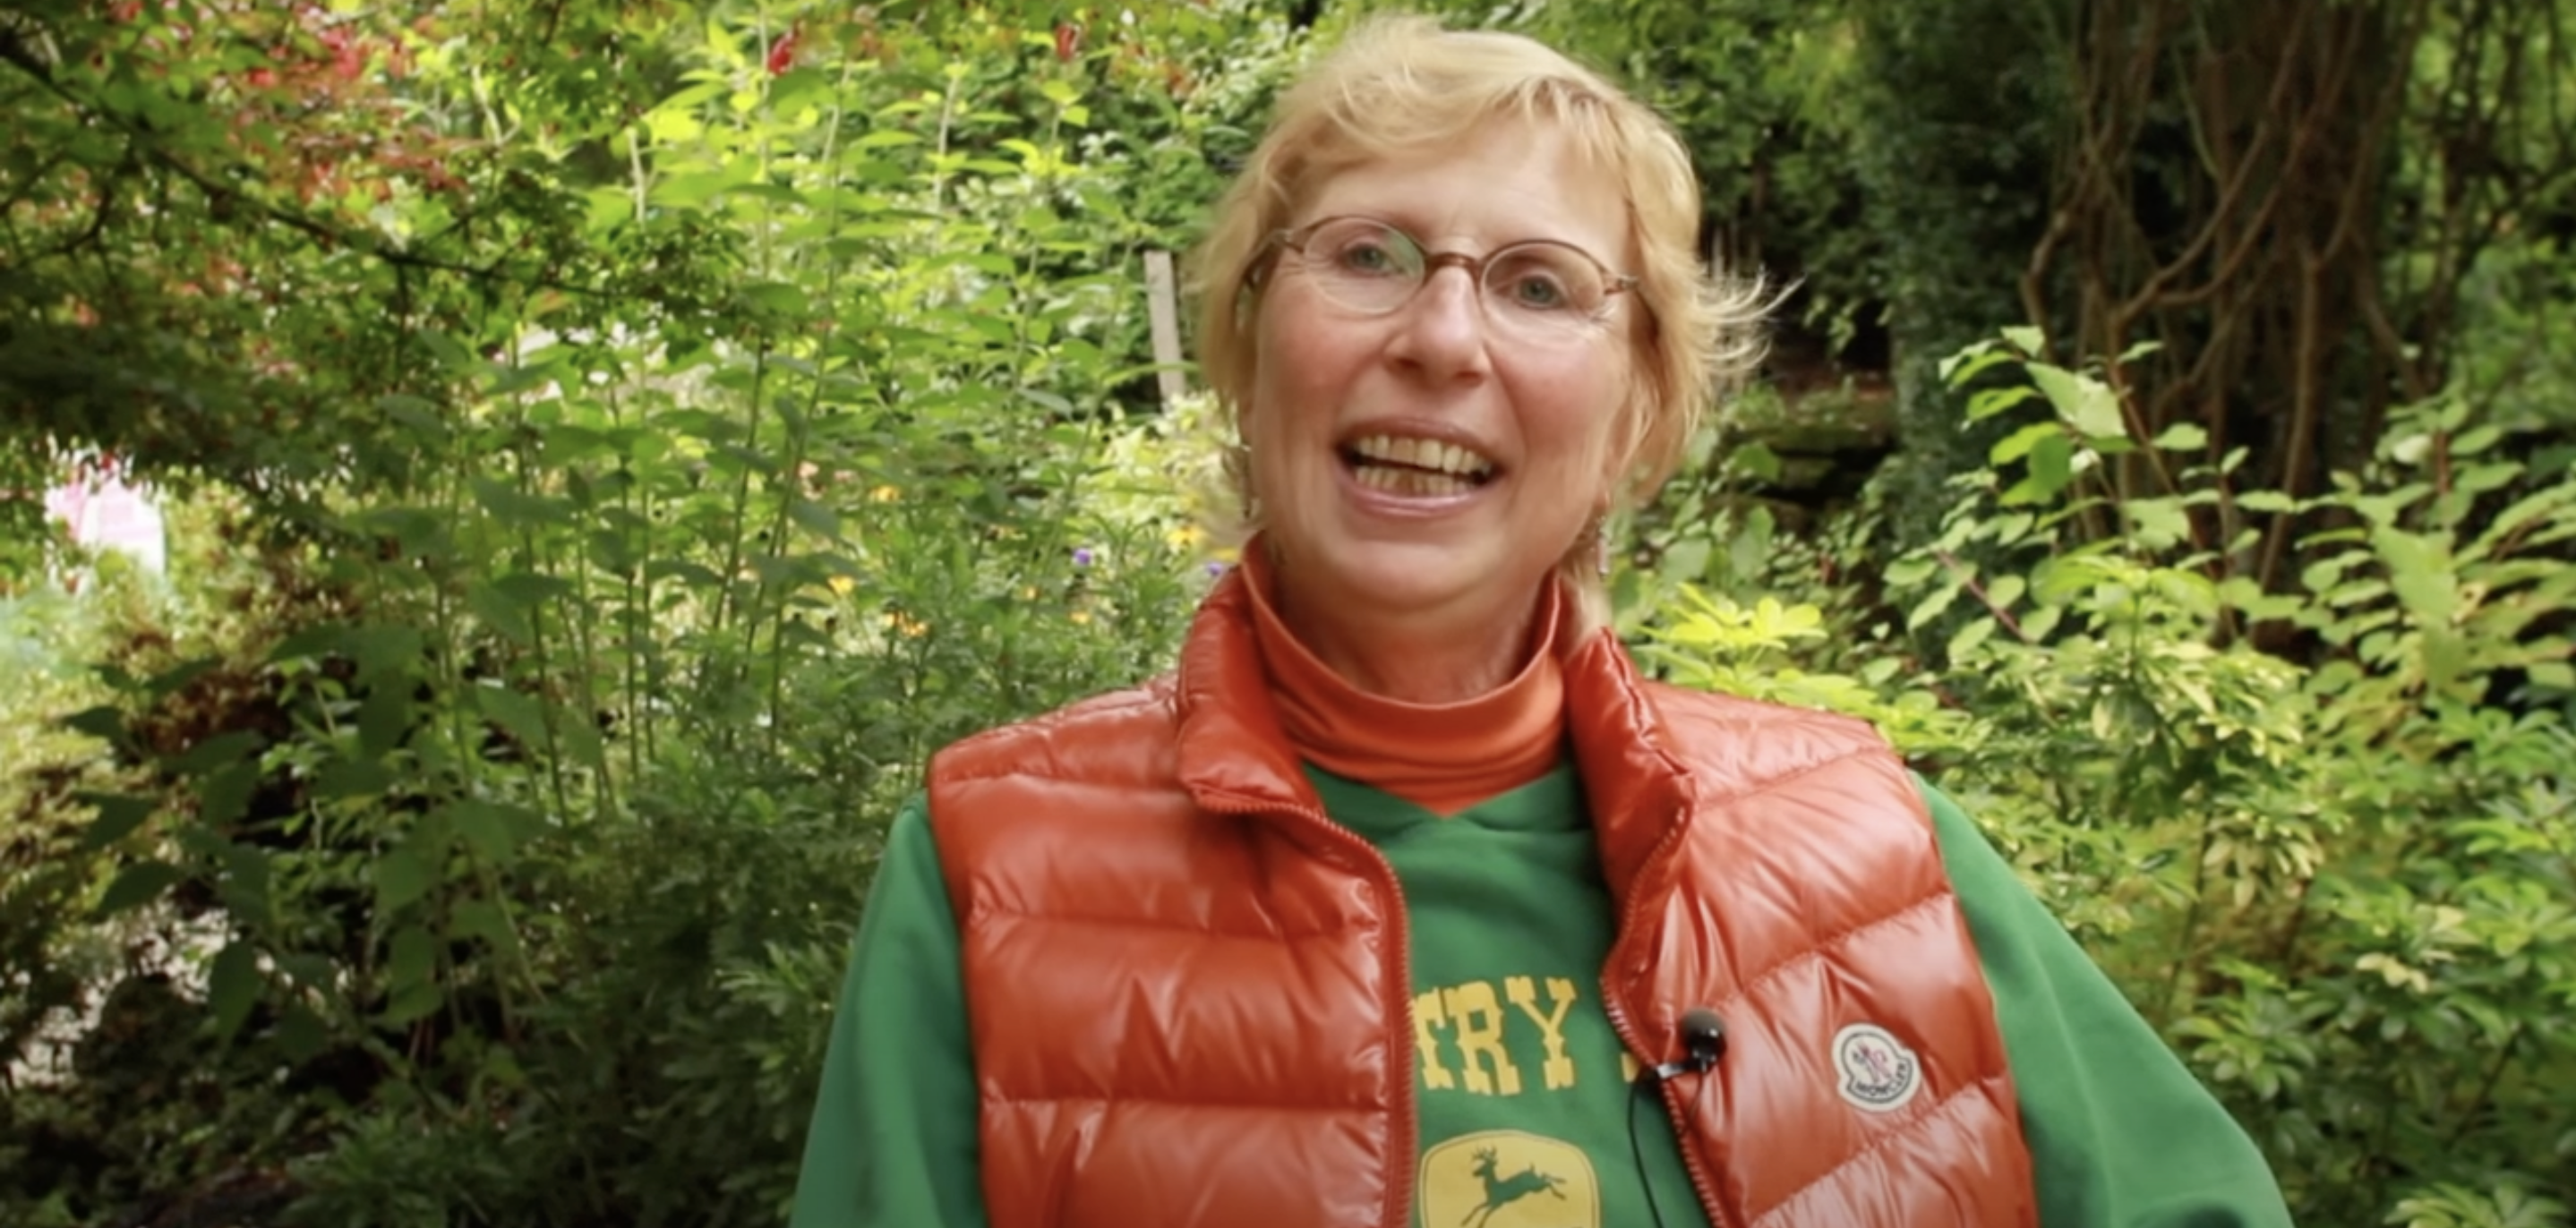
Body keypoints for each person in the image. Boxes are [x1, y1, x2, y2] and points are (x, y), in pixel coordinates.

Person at [789, 16, 2293, 1228]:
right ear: (1249, 349)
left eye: (1537, 285)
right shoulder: (996, 868)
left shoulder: (1877, 852)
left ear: (1640, 417)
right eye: (1369, 254)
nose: (1441, 338)